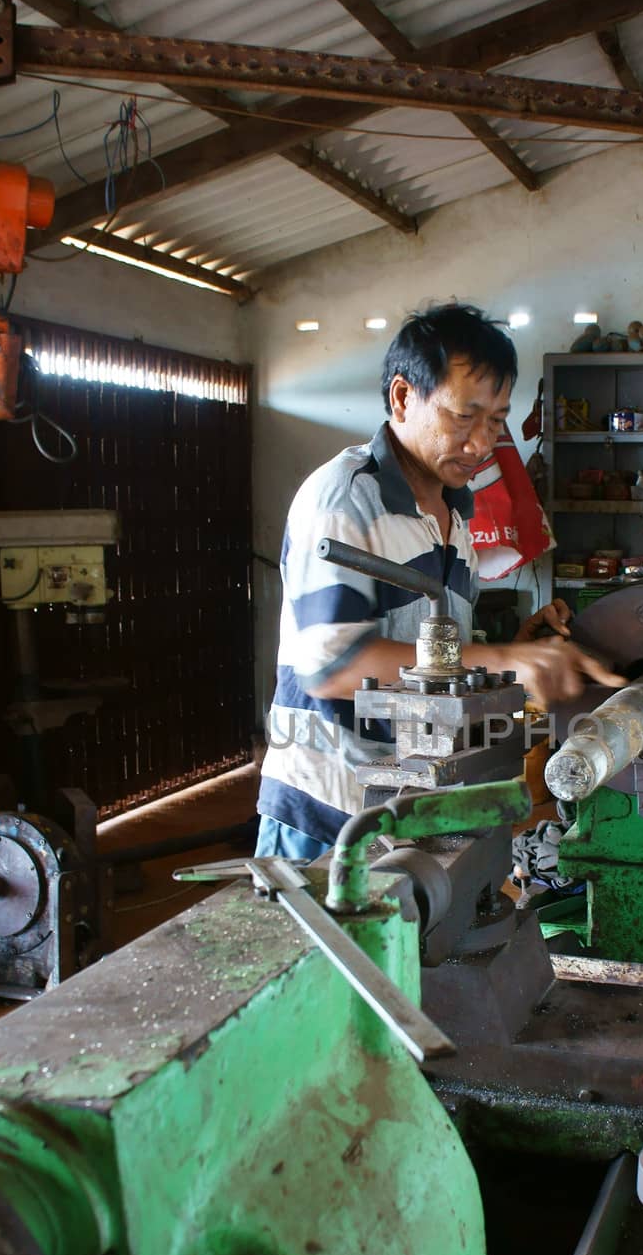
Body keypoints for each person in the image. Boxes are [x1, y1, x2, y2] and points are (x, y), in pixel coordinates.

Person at [256, 303, 622, 861]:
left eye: (496, 421)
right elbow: (330, 666)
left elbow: (441, 662)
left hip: (411, 807)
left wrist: (520, 649)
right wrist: (502, 662)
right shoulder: (346, 497)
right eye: (462, 416)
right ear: (403, 398)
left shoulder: (457, 511)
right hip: (330, 817)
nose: (480, 443)